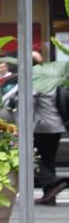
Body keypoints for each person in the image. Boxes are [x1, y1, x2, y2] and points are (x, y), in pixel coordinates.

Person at [31, 51, 68, 205]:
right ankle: (49, 195)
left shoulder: (36, 79)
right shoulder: (52, 78)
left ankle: (56, 181)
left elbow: (30, 101)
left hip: (42, 127)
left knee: (33, 160)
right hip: (56, 126)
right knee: (48, 161)